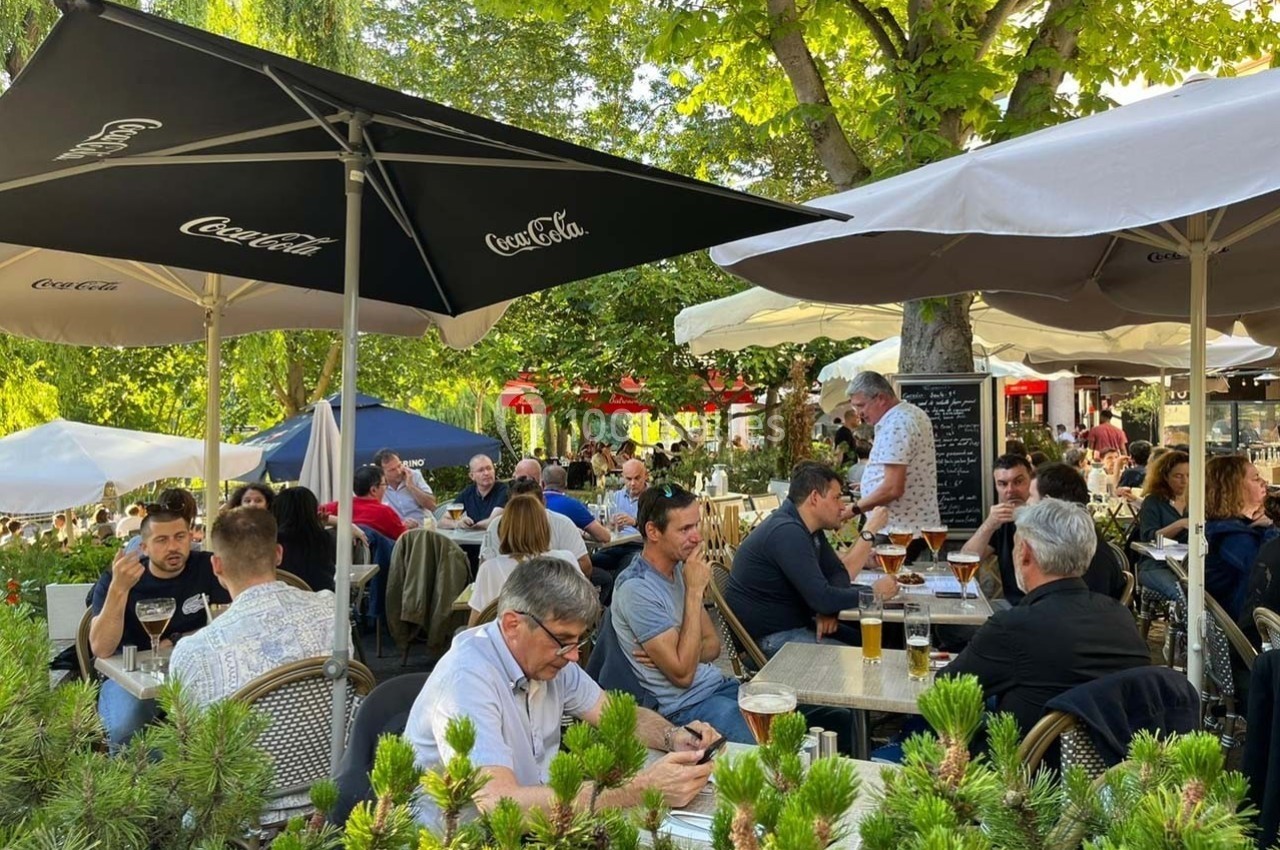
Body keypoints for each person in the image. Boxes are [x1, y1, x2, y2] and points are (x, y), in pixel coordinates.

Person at [405, 557, 717, 831]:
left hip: (535, 826)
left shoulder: (548, 660)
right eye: (564, 640)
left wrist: (673, 736)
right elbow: (500, 805)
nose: (573, 656)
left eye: (578, 641)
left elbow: (618, 716)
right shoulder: (467, 679)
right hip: (452, 837)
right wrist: (641, 788)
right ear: (513, 624)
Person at [940, 498, 1150, 737]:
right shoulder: (1120, 616)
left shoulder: (1013, 628)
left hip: (1022, 766)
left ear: (1025, 553)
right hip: (1110, 763)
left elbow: (946, 690)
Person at [612, 484, 753, 742]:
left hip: (720, 687)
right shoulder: (636, 588)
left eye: (696, 525)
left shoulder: (679, 568)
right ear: (653, 531)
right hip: (685, 709)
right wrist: (694, 591)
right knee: (772, 750)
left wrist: (682, 648)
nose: (697, 537)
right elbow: (683, 675)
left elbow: (713, 647)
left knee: (819, 720)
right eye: (685, 529)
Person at [89, 505, 231, 748]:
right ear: (144, 547)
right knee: (126, 726)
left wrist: (177, 639)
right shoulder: (121, 577)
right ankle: (136, 783)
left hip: (193, 671)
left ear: (191, 537)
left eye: (180, 537)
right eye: (162, 540)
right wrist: (118, 589)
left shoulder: (206, 566)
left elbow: (234, 615)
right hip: (128, 677)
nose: (173, 547)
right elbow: (101, 648)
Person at [725, 461, 896, 656]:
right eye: (837, 498)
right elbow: (822, 597)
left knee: (881, 642)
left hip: (795, 626)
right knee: (864, 658)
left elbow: (836, 572)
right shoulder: (787, 531)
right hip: (768, 641)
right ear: (815, 497)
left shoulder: (807, 527)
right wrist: (873, 593)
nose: (843, 506)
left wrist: (827, 608)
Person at [170, 508, 335, 706]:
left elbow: (186, 729)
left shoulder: (193, 652)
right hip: (328, 735)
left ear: (216, 565)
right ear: (278, 554)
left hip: (239, 738)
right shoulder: (332, 609)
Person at [847, 371, 940, 557]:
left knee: (886, 583)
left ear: (880, 398)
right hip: (910, 527)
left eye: (861, 406)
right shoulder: (912, 413)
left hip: (896, 531)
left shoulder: (896, 424)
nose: (859, 414)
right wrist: (867, 484)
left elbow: (893, 489)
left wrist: (854, 509)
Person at [469, 494, 582, 624]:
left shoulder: (490, 569)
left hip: (507, 642)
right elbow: (581, 610)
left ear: (504, 528)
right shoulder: (567, 560)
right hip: (557, 641)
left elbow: (475, 626)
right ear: (544, 526)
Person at [1029, 462, 1127, 600]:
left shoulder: (1083, 552)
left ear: (1049, 504)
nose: (1027, 503)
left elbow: (1082, 612)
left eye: (1031, 496)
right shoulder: (1071, 538)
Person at [1205, 454, 1277, 619]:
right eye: (1256, 478)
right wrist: (1273, 527)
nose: (1264, 482)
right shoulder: (1227, 534)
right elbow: (1265, 571)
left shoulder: (1240, 525)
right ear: (1232, 487)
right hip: (1248, 626)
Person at [960, 454, 1035, 608]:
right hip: (1012, 606)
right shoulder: (1003, 522)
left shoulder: (1048, 519)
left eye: (1018, 482)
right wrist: (989, 524)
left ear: (1032, 481)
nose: (1010, 490)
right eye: (1002, 484)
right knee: (948, 626)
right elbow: (965, 561)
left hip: (1040, 608)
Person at [1133, 450, 1189, 600]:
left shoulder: (1197, 502)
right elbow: (1149, 538)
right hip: (1157, 565)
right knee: (1180, 592)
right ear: (1165, 477)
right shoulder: (1153, 502)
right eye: (1178, 476)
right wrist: (1179, 525)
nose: (1185, 481)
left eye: (1189, 476)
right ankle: (1186, 622)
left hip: (1189, 564)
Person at [320, 466, 410, 542]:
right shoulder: (385, 513)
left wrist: (334, 520)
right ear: (373, 490)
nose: (386, 488)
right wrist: (408, 527)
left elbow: (309, 513)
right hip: (375, 562)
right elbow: (405, 541)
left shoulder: (340, 506)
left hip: (339, 559)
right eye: (384, 484)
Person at [273, 486, 337, 592]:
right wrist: (319, 528)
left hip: (285, 599)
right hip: (321, 598)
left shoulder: (273, 541)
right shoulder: (324, 538)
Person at [591, 459, 647, 576]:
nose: (632, 483)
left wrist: (635, 522)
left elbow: (659, 529)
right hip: (614, 545)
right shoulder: (615, 497)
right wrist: (610, 524)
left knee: (623, 571)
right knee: (589, 563)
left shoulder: (652, 498)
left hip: (639, 547)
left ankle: (613, 592)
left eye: (637, 478)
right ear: (623, 477)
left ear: (645, 476)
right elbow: (603, 525)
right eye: (628, 479)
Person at [541, 464, 611, 546]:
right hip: (564, 556)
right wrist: (583, 534)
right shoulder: (572, 505)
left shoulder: (531, 503)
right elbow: (604, 537)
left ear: (542, 484)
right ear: (566, 484)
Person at [373, 448, 437, 524]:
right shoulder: (377, 486)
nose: (399, 471)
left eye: (399, 465)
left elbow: (432, 506)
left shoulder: (414, 475)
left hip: (423, 529)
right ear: (382, 473)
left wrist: (411, 486)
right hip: (396, 531)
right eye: (392, 470)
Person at [443, 454, 507, 529]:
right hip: (472, 538)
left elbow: (493, 522)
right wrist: (458, 524)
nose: (486, 473)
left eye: (489, 468)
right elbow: (442, 521)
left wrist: (471, 526)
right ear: (472, 476)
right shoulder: (468, 493)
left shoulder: (504, 490)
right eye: (481, 470)